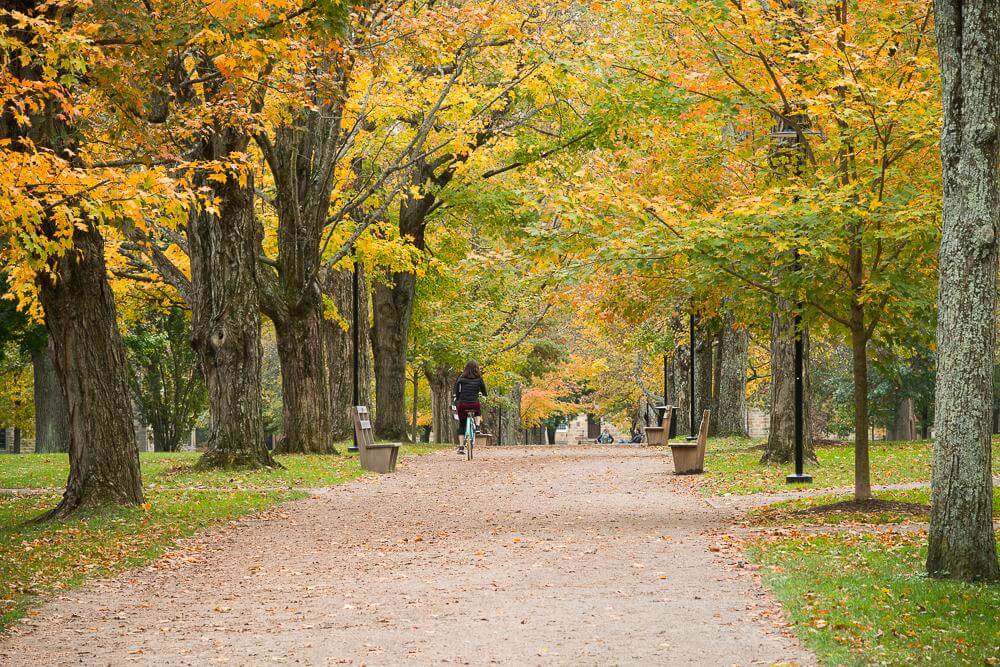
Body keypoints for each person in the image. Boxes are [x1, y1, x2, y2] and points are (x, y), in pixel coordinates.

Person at [453, 360, 487, 454]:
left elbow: (456, 392)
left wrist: (458, 398)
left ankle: (461, 447)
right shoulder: (479, 379)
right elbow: (484, 391)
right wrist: (483, 394)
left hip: (462, 404)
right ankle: (478, 427)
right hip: (474, 404)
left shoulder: (461, 378)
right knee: (477, 411)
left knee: (462, 425)